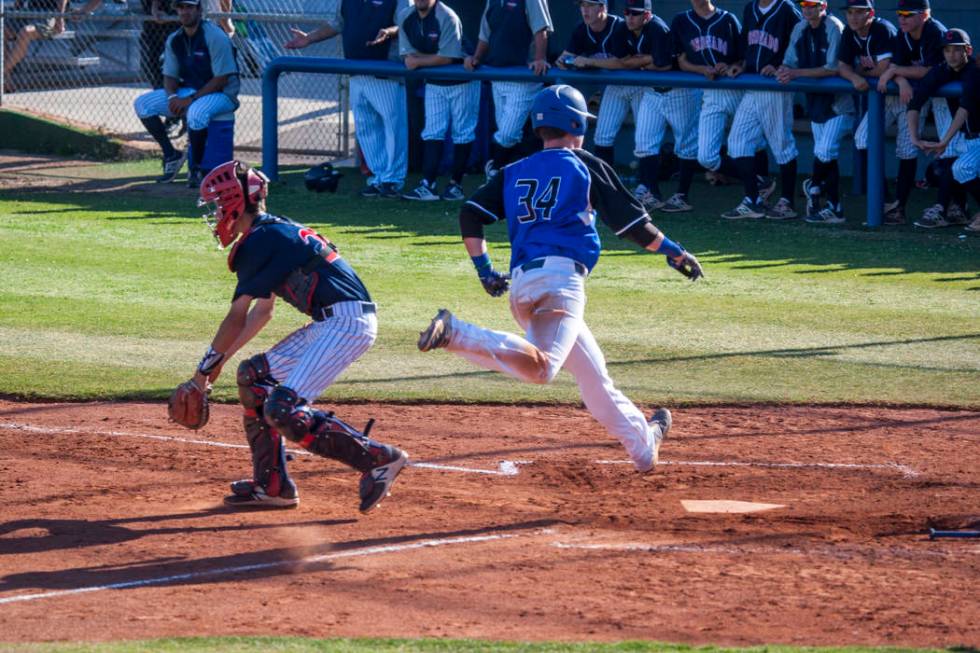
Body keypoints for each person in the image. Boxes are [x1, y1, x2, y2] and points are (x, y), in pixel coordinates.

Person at [417, 85, 704, 474]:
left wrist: (485, 271)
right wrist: (675, 251)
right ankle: (456, 334)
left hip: (523, 287)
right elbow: (634, 226)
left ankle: (643, 446)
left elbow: (470, 214)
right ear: (572, 123)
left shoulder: (513, 171)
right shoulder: (583, 163)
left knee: (593, 375)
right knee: (543, 369)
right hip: (560, 285)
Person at [190, 160, 408, 512]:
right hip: (333, 322)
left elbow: (236, 317)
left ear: (234, 201)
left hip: (346, 324)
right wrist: (218, 367)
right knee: (255, 377)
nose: (215, 213)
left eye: (217, 204)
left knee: (284, 409)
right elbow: (263, 312)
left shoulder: (261, 240)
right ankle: (273, 485)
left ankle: (379, 459)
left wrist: (201, 375)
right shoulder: (270, 232)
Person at [285, 0, 410, 199]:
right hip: (355, 71)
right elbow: (337, 23)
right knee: (366, 128)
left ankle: (392, 180)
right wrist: (309, 38)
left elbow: (407, 23)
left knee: (393, 128)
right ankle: (378, 178)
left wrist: (389, 31)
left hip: (385, 71)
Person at [671, 0, 775, 203]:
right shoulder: (681, 20)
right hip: (709, 91)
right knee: (706, 157)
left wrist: (730, 65)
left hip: (733, 87)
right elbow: (681, 61)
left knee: (755, 141)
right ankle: (758, 181)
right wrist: (702, 69)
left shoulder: (728, 19)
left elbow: (742, 57)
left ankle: (756, 194)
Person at [133, 0, 239, 187]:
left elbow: (222, 78)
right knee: (143, 104)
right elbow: (169, 76)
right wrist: (174, 97)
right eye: (180, 7)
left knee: (196, 113)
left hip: (222, 94)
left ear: (199, 9)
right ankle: (171, 154)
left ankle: (196, 168)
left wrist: (189, 100)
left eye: (189, 7)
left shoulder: (214, 36)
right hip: (190, 91)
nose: (184, 11)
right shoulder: (175, 38)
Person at [721, 0, 803, 221]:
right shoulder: (750, 7)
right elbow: (748, 43)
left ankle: (787, 201)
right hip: (754, 84)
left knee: (781, 145)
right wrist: (742, 64)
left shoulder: (787, 9)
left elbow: (799, 43)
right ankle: (753, 201)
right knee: (737, 143)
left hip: (776, 85)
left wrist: (781, 65)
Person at [777, 0, 854, 224]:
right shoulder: (800, 27)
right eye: (804, 5)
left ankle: (813, 184)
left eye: (813, 5)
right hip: (816, 104)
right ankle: (834, 207)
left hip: (840, 103)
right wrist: (783, 70)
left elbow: (832, 68)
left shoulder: (833, 26)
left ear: (823, 6)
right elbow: (789, 61)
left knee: (825, 151)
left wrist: (795, 73)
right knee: (827, 157)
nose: (808, 10)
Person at [397, 0, 480, 201]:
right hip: (434, 83)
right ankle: (428, 184)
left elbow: (448, 58)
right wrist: (426, 59)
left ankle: (456, 185)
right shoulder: (406, 16)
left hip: (462, 81)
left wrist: (419, 61)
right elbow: (407, 55)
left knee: (462, 133)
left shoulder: (447, 16)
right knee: (432, 132)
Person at [876, 0, 948, 225]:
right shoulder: (902, 34)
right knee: (871, 141)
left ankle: (954, 207)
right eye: (900, 14)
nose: (902, 19)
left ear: (925, 15)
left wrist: (898, 72)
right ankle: (895, 205)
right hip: (919, 96)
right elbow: (894, 66)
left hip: (947, 96)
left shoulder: (936, 32)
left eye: (908, 14)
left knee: (952, 151)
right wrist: (900, 78)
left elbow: (933, 71)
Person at [465, 0, 553, 178]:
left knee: (507, 134)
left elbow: (541, 29)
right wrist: (476, 57)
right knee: (507, 133)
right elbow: (485, 34)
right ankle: (507, 179)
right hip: (498, 75)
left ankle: (494, 169)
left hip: (523, 76)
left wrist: (540, 58)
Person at [836, 0, 900, 222]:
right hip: (883, 96)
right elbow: (842, 66)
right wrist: (855, 76)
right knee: (863, 139)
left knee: (910, 150)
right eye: (850, 12)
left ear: (870, 13)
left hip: (905, 93)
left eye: (859, 12)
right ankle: (889, 201)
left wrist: (861, 71)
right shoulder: (849, 32)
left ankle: (948, 207)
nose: (853, 17)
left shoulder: (882, 29)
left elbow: (885, 68)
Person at [908, 28, 976, 228]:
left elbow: (965, 109)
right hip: (969, 134)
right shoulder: (943, 69)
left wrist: (944, 141)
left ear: (968, 51)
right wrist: (914, 138)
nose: (951, 55)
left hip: (977, 134)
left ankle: (951, 208)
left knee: (961, 167)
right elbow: (915, 103)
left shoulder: (975, 71)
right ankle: (950, 209)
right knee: (942, 168)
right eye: (947, 50)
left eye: (956, 50)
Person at [2, 0, 70, 92]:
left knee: (26, 32)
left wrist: (60, 17)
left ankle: (2, 72)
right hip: (32, 12)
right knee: (3, 31)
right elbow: (18, 4)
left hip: (53, 15)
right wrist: (16, 10)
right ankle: (6, 82)